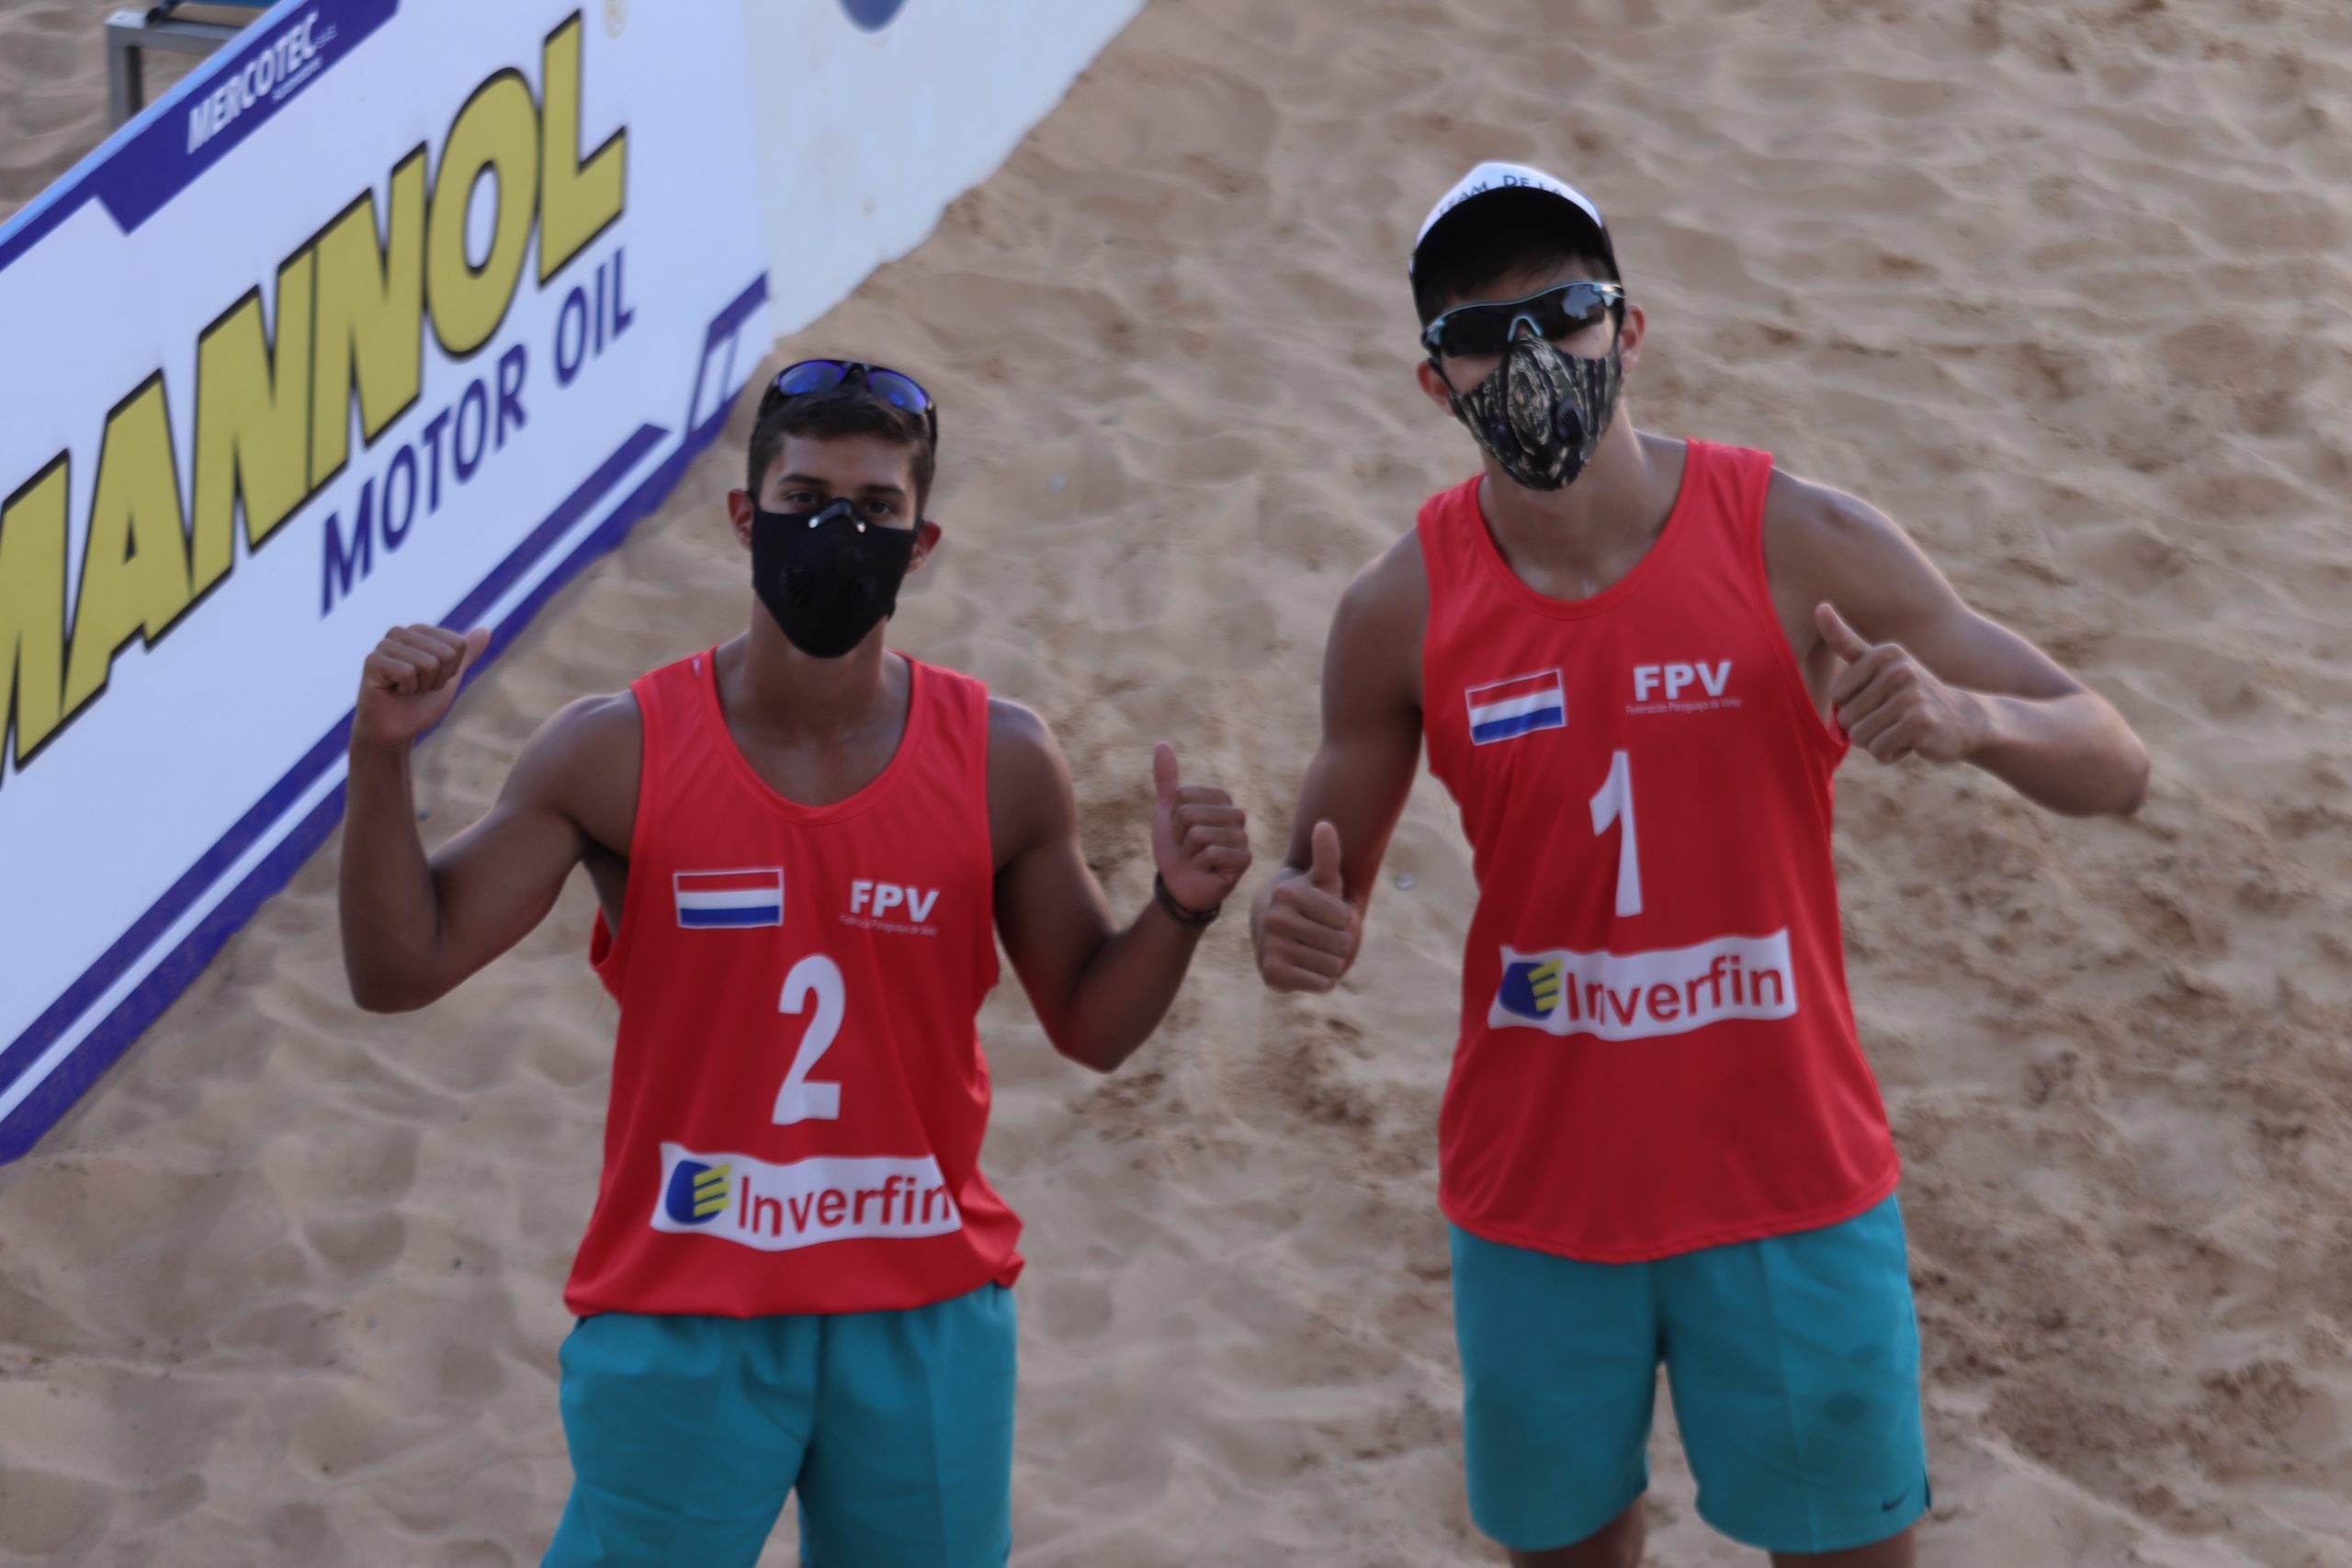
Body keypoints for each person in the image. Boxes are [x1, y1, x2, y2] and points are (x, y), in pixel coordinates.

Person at [1251, 163, 2149, 1568]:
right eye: (1485, 333)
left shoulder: (1796, 538)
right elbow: (1323, 904)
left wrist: (1968, 720)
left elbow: (2114, 757)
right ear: (1436, 383)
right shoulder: (1396, 611)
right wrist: (1292, 931)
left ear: (1633, 326)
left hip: (1790, 1182)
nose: (1534, 353)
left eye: (1565, 308)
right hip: (1544, 1198)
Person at [339, 359, 1252, 1567]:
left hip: (922, 1309)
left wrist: (1179, 914)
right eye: (806, 491)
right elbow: (400, 969)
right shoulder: (617, 749)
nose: (838, 526)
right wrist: (382, 754)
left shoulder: (1003, 760)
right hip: (688, 1307)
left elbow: (1089, 1022)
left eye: (876, 508)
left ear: (920, 544)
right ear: (742, 516)